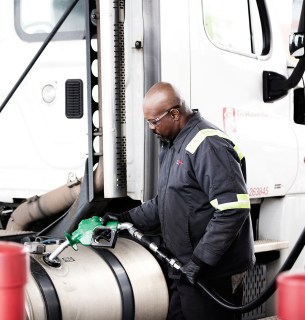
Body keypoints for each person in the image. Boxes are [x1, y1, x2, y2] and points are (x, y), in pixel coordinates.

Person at [101, 82, 255, 320]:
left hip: (212, 273)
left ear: (174, 114)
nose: (151, 128)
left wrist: (200, 261)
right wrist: (123, 219)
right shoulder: (174, 146)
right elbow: (167, 203)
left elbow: (233, 209)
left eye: (153, 121)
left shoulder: (208, 144)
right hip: (184, 269)